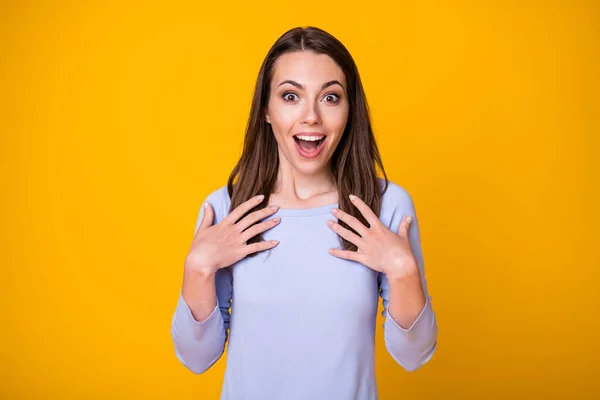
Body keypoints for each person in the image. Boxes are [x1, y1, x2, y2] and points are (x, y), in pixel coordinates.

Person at [170, 26, 438, 400]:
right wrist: (197, 268)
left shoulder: (385, 206)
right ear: (266, 109)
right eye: (291, 96)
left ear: (349, 110)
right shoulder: (228, 209)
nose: (310, 116)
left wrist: (404, 271)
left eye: (330, 97)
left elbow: (415, 354)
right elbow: (196, 358)